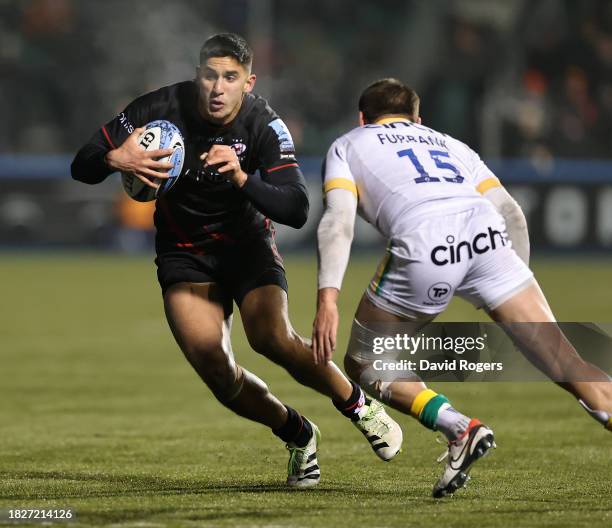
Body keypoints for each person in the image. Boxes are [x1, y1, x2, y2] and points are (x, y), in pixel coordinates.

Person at [71, 34, 402, 489]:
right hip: (183, 254)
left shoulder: (264, 124)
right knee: (216, 369)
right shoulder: (157, 108)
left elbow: (296, 207)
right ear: (197, 75)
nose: (217, 87)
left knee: (271, 337)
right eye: (209, 75)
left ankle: (357, 406)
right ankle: (297, 432)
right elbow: (82, 164)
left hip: (246, 247)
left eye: (229, 77)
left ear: (248, 82)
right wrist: (114, 156)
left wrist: (244, 177)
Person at [312, 78, 612, 498]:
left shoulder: (348, 144)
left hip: (424, 241)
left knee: (366, 359)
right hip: (487, 236)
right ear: (419, 119)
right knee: (565, 361)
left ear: (363, 118)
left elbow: (338, 222)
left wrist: (328, 298)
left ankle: (458, 427)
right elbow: (510, 211)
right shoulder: (449, 143)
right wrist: (507, 281)